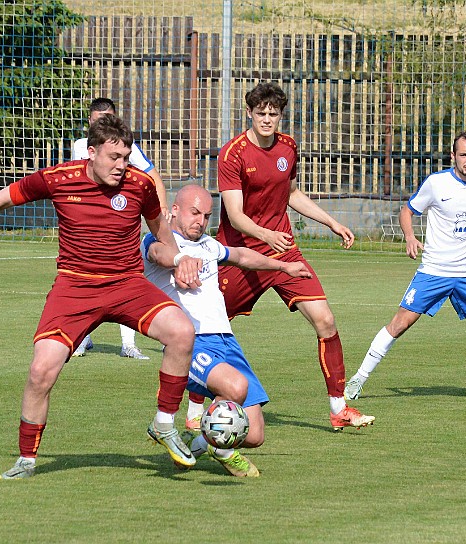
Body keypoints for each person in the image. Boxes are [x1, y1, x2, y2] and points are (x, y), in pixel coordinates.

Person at [0, 115, 203, 478]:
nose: (121, 165)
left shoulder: (139, 184)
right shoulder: (58, 178)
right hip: (75, 287)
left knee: (182, 332)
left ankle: (164, 424)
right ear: (92, 151)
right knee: (40, 371)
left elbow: (160, 229)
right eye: (114, 157)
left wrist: (178, 259)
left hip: (127, 284)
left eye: (126, 157)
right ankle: (26, 459)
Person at [216, 82, 374, 431]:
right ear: (250, 113)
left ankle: (339, 409)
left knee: (326, 321)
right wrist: (266, 234)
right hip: (240, 256)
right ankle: (194, 409)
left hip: (284, 252)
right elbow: (236, 214)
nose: (268, 119)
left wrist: (332, 221)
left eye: (274, 114)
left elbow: (291, 194)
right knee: (203, 327)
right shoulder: (232, 154)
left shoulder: (288, 146)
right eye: (261, 113)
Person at [143, 184, 312, 477]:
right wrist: (179, 262)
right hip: (191, 343)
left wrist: (283, 267)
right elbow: (156, 253)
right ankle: (220, 449)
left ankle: (196, 444)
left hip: (227, 342)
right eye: (194, 213)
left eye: (206, 215)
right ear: (174, 210)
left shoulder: (208, 245)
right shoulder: (159, 243)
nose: (200, 221)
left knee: (254, 433)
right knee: (235, 388)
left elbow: (243, 256)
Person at [345, 131, 466, 402]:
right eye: (463, 155)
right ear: (453, 156)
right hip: (434, 269)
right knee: (400, 323)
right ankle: (358, 379)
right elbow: (407, 211)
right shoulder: (436, 183)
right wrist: (410, 237)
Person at [71, 97, 165, 361]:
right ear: (89, 121)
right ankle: (82, 339)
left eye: (107, 118)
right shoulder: (80, 147)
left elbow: (153, 176)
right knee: (85, 280)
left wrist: (162, 210)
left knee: (128, 280)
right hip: (87, 229)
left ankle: (128, 344)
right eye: (97, 119)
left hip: (121, 224)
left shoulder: (128, 149)